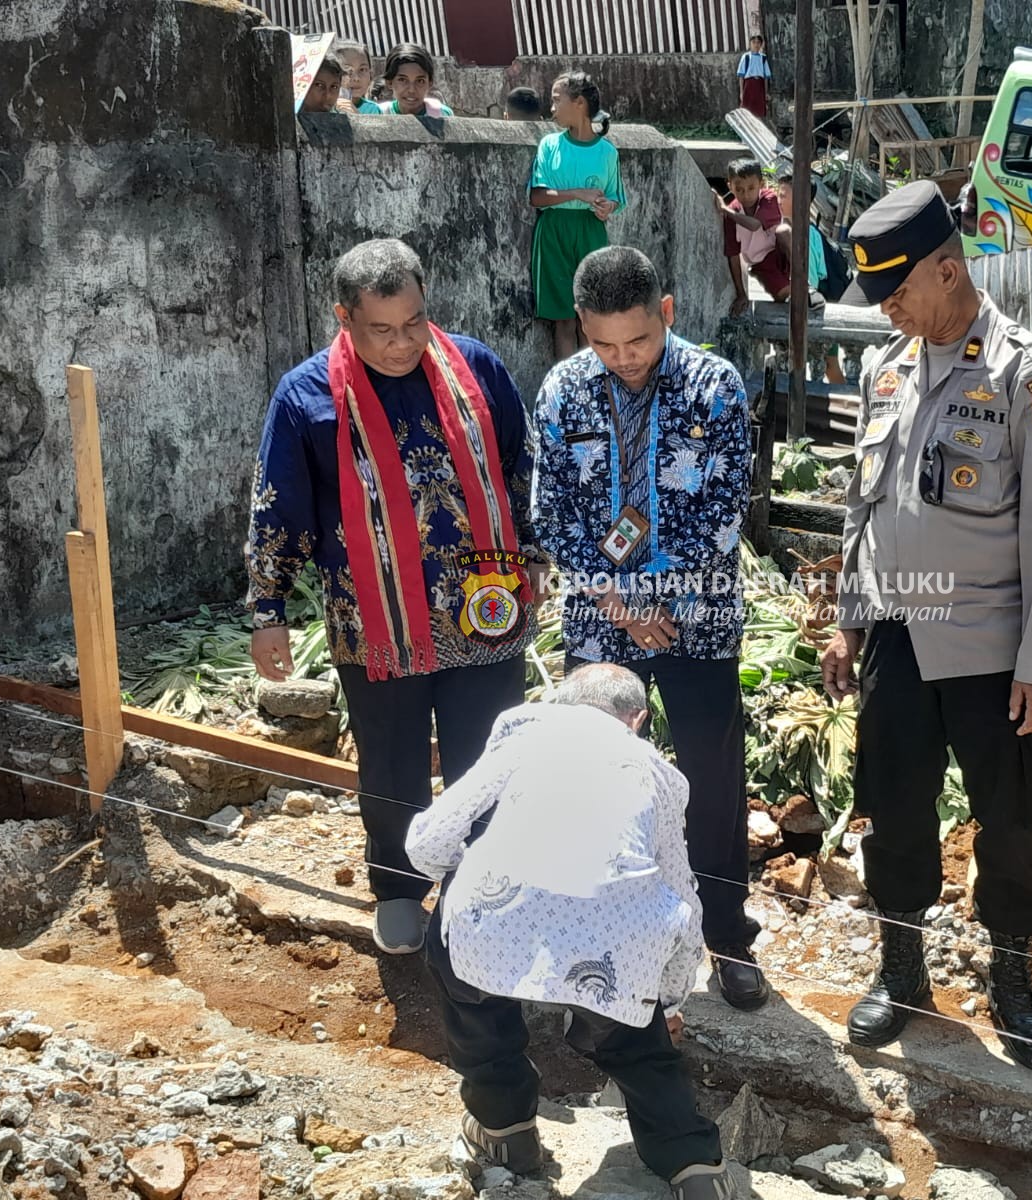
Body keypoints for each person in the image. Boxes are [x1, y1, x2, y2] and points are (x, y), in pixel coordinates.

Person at [819, 182, 1032, 1073]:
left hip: (992, 650)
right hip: (897, 631)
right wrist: (848, 623)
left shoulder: (1028, 374)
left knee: (1009, 822)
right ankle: (902, 974)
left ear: (948, 266)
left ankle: (1013, 987)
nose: (889, 310)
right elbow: (861, 509)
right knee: (894, 814)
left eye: (900, 292)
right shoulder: (883, 368)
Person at [245, 239, 549, 956]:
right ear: (344, 317)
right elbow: (278, 504)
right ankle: (400, 889)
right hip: (375, 621)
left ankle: (483, 885)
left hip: (485, 609)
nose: (402, 342)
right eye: (381, 329)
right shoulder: (306, 396)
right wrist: (268, 611)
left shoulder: (474, 366)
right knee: (391, 760)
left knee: (489, 757)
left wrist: (534, 548)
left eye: (414, 322)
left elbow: (522, 462)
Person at [530, 246, 768, 1012]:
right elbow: (551, 513)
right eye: (604, 344)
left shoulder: (714, 386)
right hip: (604, 624)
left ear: (666, 313)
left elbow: (725, 506)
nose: (623, 359)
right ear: (582, 331)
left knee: (712, 780)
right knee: (597, 781)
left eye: (637, 341)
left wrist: (659, 593)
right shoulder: (563, 392)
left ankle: (727, 937)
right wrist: (621, 598)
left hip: (696, 620)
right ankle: (597, 939)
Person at [404, 663, 730, 1200]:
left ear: (557, 702)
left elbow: (426, 844)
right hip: (615, 944)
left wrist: (462, 871)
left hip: (491, 924)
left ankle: (504, 1130)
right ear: (639, 719)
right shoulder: (660, 774)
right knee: (638, 1049)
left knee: (475, 1003)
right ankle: (694, 1168)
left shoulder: (523, 735)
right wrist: (667, 1002)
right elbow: (682, 898)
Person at [529, 72, 625, 362]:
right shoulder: (549, 145)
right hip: (554, 232)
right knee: (564, 319)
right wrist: (577, 194)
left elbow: (616, 197)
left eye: (557, 101)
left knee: (590, 316)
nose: (553, 109)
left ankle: (593, 387)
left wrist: (608, 206)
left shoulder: (607, 152)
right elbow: (538, 197)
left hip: (591, 231)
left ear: (579, 103)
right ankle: (568, 392)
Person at [773, 174, 843, 384]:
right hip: (814, 309)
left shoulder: (804, 235)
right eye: (778, 194)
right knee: (828, 366)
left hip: (813, 312)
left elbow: (809, 278)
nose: (778, 200)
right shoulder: (806, 232)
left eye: (783, 195)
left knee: (827, 365)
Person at [719, 159, 787, 318]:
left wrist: (725, 210)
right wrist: (741, 294)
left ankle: (803, 281)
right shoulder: (732, 214)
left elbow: (754, 225)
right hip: (761, 263)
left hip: (781, 252)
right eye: (739, 189)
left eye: (751, 188)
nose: (746, 194)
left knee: (785, 232)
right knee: (783, 295)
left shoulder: (769, 199)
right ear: (730, 187)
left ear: (761, 184)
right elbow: (733, 256)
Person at [377, 43, 455, 117]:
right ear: (390, 82)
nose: (411, 90)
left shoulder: (442, 115)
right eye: (402, 80)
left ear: (430, 83)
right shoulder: (380, 114)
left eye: (420, 81)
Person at [332, 40, 381, 114]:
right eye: (348, 71)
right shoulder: (324, 107)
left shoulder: (372, 110)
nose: (356, 78)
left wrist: (357, 118)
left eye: (362, 69)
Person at [736, 34, 771, 120]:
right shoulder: (746, 57)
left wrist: (766, 92)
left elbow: (766, 77)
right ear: (750, 44)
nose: (756, 45)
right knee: (747, 109)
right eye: (753, 42)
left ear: (761, 44)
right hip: (749, 85)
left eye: (758, 42)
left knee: (758, 110)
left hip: (759, 85)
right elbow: (741, 76)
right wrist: (741, 92)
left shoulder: (763, 58)